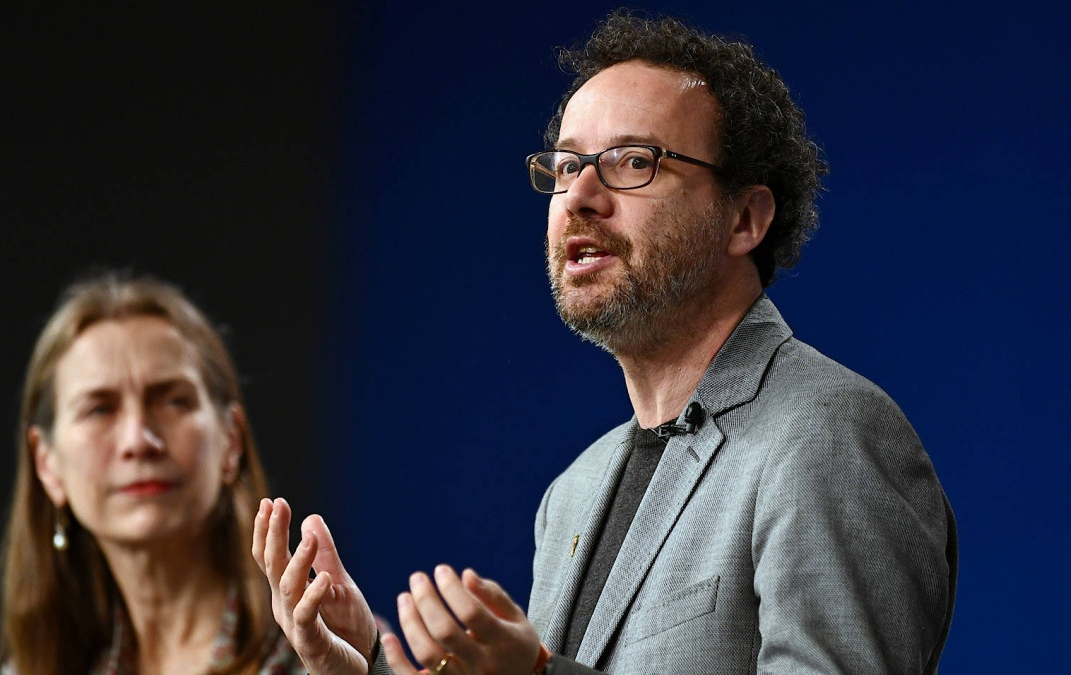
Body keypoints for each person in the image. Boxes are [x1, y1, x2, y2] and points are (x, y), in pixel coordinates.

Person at [255, 8, 957, 674]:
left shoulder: (830, 435)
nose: (581, 195)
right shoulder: (573, 492)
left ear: (745, 217)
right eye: (566, 166)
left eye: (631, 161)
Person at [0, 272, 305, 674]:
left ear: (231, 440)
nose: (138, 441)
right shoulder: (35, 668)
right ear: (47, 465)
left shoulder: (331, 654)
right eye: (99, 409)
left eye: (173, 401)